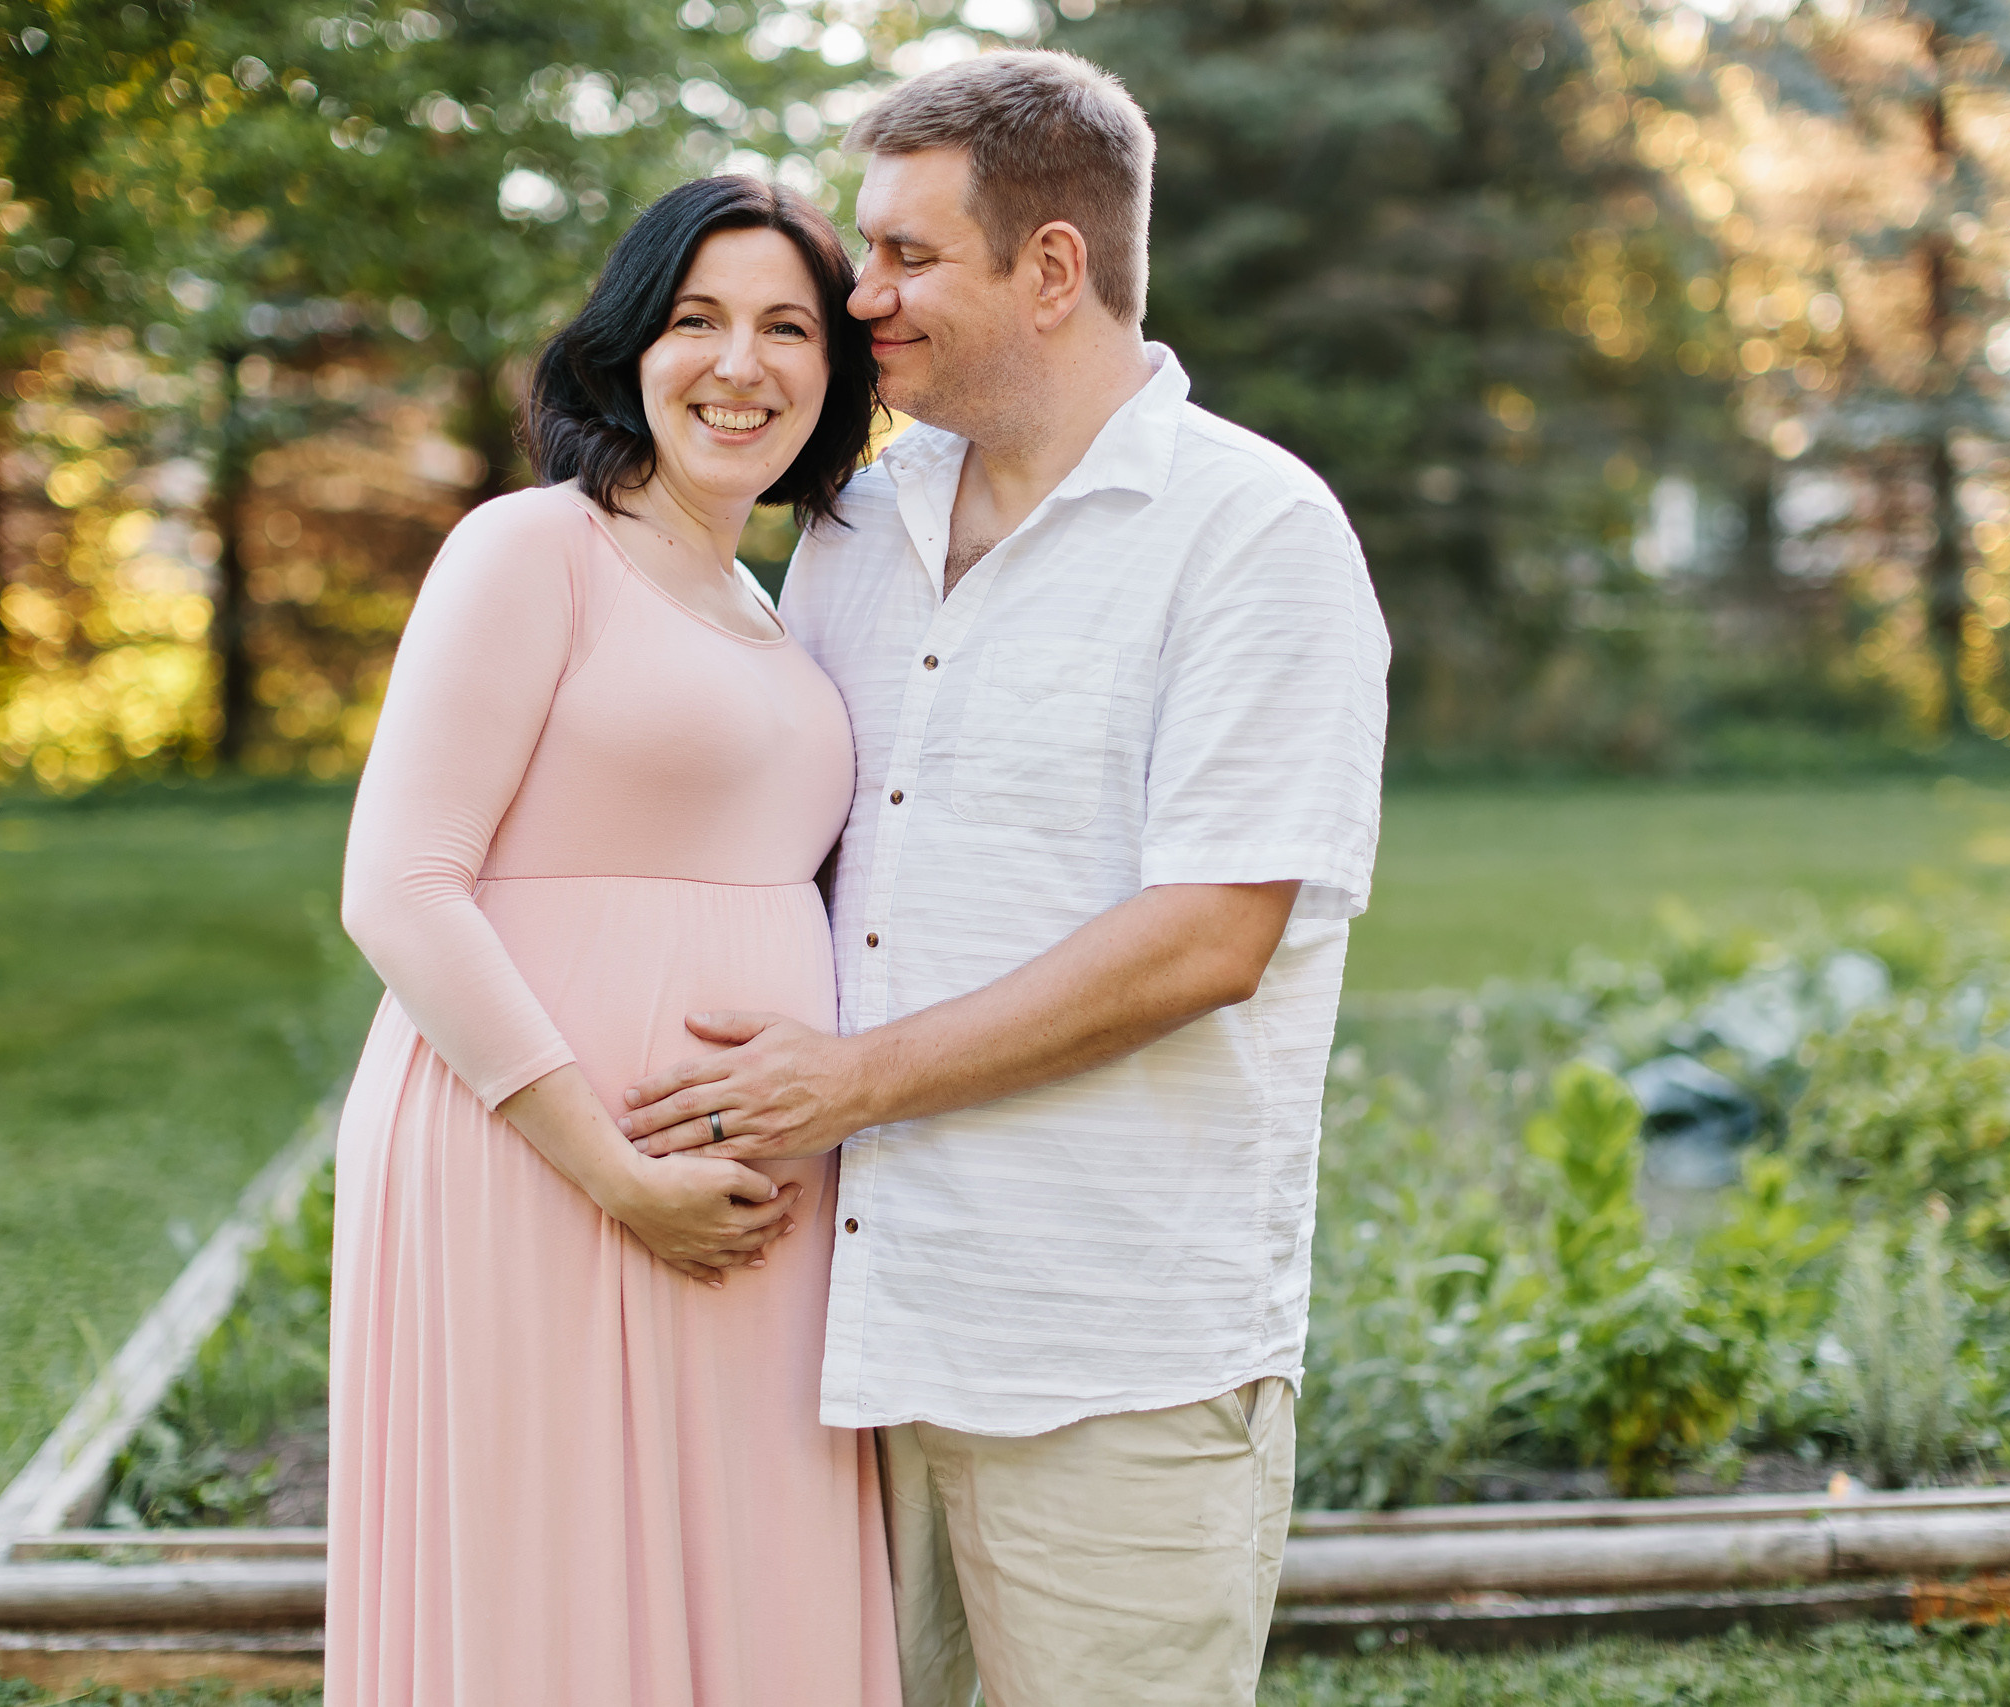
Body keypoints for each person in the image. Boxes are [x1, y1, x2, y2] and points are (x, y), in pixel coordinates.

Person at [617, 49, 1392, 1707]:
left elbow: (1208, 939)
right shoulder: (852, 524)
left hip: (1108, 1346)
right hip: (839, 1330)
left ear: (1053, 269)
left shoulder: (1255, 534)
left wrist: (847, 1084)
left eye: (903, 255)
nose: (858, 295)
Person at [324, 176, 900, 1706]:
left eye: (789, 327)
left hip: (740, 1197)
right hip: (544, 1166)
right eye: (696, 319)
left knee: (746, 1597)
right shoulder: (535, 549)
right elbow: (399, 884)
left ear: (835, 378)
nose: (741, 363)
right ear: (628, 349)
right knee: (549, 1611)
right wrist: (614, 1171)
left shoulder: (772, 605)